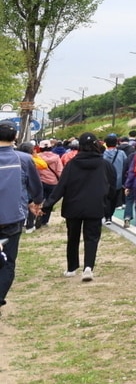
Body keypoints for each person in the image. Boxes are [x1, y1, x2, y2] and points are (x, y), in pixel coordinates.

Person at [41, 132, 117, 281]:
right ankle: (88, 267)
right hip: (95, 206)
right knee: (92, 237)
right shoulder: (105, 165)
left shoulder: (72, 164)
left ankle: (71, 267)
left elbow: (61, 186)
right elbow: (112, 187)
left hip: (73, 205)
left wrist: (47, 205)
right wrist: (107, 203)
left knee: (73, 237)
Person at [0, 123, 44, 316]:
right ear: (15, 137)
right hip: (12, 217)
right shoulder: (24, 159)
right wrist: (36, 202)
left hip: (13, 216)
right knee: (8, 261)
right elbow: (35, 186)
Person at [101, 134, 127, 225]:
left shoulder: (103, 154)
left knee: (106, 198)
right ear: (116, 143)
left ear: (106, 143)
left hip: (105, 180)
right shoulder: (121, 153)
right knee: (114, 198)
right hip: (118, 180)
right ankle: (110, 215)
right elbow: (125, 165)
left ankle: (107, 216)